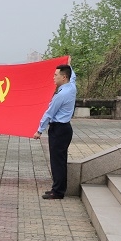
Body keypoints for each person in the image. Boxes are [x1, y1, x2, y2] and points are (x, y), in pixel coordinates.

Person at [34, 64, 77, 200]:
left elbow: (49, 113)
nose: (53, 77)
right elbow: (73, 76)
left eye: (56, 75)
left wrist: (39, 131)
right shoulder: (72, 87)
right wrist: (69, 64)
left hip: (59, 129)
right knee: (60, 160)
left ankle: (57, 191)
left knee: (57, 161)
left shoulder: (61, 95)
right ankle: (57, 188)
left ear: (64, 77)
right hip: (65, 129)